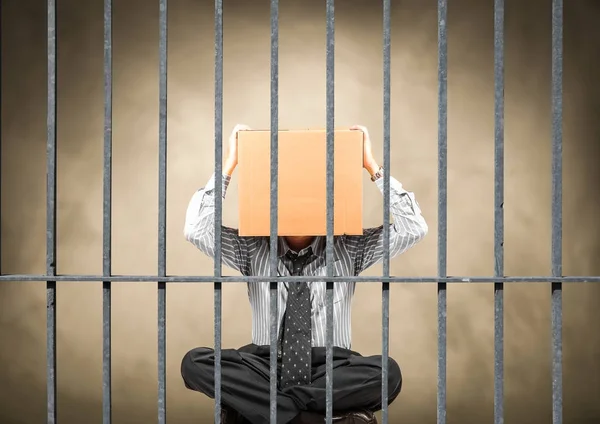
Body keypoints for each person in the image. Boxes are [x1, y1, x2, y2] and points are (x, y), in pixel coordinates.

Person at [181, 124, 428, 424]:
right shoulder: (251, 248)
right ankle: (312, 416)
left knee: (388, 373)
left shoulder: (350, 247)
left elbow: (413, 228)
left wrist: (370, 165)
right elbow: (196, 230)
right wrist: (230, 164)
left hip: (332, 367)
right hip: (264, 364)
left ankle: (277, 409)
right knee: (195, 363)